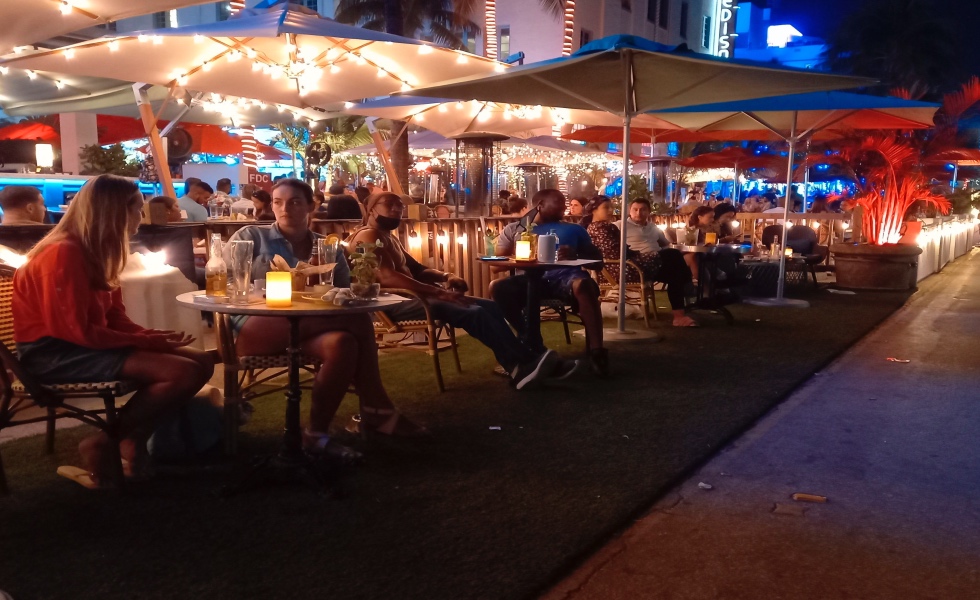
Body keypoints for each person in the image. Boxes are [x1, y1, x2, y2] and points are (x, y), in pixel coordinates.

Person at [12, 175, 213, 488]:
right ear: (113, 212)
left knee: (201, 362)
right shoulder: (63, 255)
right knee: (181, 372)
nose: (140, 216)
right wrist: (148, 340)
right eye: (135, 208)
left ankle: (131, 440)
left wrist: (152, 336)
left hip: (79, 345)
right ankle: (104, 443)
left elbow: (114, 318)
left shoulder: (96, 252)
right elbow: (78, 332)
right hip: (52, 354)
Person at [225, 179, 424, 453]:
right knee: (357, 320)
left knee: (343, 343)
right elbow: (227, 286)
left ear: (311, 205)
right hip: (256, 326)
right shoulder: (250, 236)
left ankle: (315, 435)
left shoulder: (326, 247)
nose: (285, 209)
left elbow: (344, 294)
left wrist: (321, 282)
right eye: (278, 202)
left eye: (294, 202)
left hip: (312, 326)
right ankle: (376, 407)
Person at [349, 192, 562, 390]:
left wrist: (446, 277)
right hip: (389, 305)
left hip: (413, 298)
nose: (397, 209)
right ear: (371, 209)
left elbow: (418, 269)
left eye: (400, 205)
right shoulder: (367, 236)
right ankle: (526, 363)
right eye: (390, 204)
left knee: (490, 306)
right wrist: (438, 293)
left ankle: (518, 366)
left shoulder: (387, 236)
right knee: (474, 312)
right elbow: (386, 276)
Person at [490, 189, 608, 376]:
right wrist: (521, 253)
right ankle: (530, 340)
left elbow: (598, 262)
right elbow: (496, 267)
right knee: (497, 287)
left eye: (564, 202)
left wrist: (575, 254)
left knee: (584, 285)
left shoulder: (574, 229)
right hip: (530, 279)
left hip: (566, 278)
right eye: (558, 203)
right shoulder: (516, 229)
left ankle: (597, 353)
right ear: (540, 205)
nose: (563, 206)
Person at [583, 196, 696, 327]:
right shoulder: (607, 227)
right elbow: (616, 254)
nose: (610, 211)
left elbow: (664, 244)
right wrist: (639, 254)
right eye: (606, 208)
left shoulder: (606, 227)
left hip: (630, 265)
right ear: (594, 210)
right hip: (622, 269)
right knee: (673, 255)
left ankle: (679, 316)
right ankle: (688, 292)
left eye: (611, 208)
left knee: (675, 272)